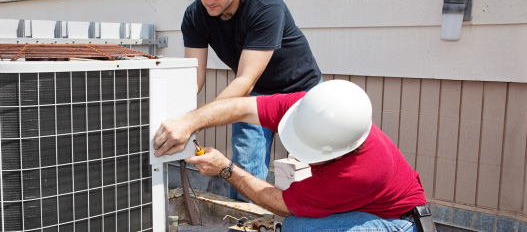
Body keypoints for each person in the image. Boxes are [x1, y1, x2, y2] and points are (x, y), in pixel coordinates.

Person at [154, 80, 428, 231]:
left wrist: (226, 168)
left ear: (341, 152)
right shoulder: (310, 108)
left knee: (300, 229)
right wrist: (190, 122)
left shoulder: (359, 173)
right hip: (368, 203)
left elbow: (281, 204)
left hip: (400, 222)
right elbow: (240, 107)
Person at [180, 0, 322, 199]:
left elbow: (245, 79)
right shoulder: (195, 16)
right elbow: (193, 78)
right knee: (244, 169)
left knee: (316, 167)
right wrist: (177, 116)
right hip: (255, 95)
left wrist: (193, 122)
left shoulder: (265, 5)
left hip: (302, 92)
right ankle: (246, 224)